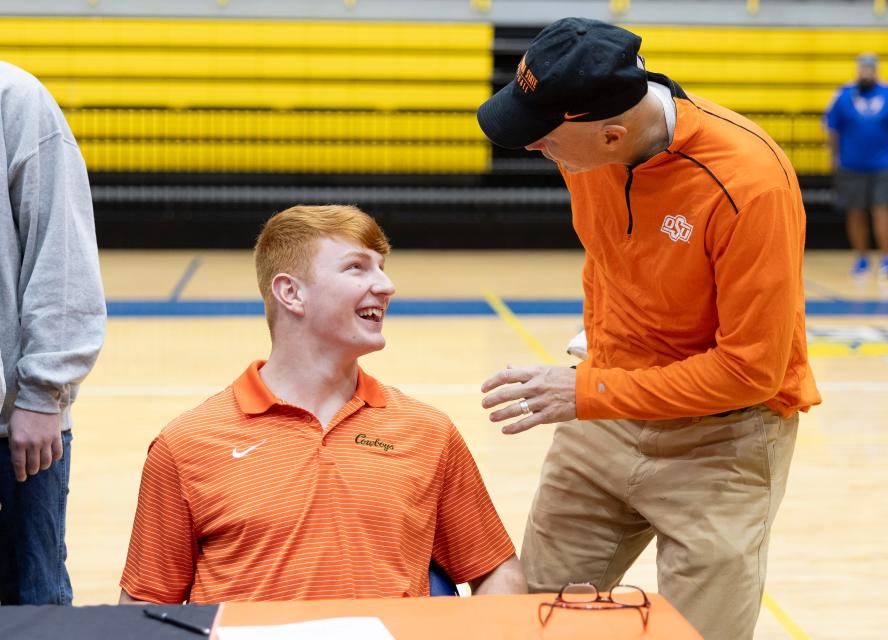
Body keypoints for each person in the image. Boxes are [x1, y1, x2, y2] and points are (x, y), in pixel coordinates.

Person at [476, 18, 821, 640]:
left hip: (722, 443)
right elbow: (610, 254)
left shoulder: (750, 186)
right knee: (532, 620)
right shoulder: (585, 152)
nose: (534, 149)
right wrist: (606, 341)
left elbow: (751, 371)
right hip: (605, 416)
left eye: (545, 140)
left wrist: (587, 392)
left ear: (611, 134)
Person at [119, 204, 525, 604]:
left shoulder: (427, 431)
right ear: (291, 293)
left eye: (382, 267)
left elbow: (496, 569)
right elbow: (145, 605)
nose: (386, 285)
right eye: (357, 267)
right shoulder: (187, 444)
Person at [0, 61, 107, 605]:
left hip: (9, 431)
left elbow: (60, 253)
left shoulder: (13, 98)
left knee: (31, 609)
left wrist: (43, 395)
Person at [826, 53, 888, 278]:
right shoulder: (843, 94)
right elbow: (832, 127)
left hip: (884, 164)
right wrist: (836, 157)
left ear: (876, 70)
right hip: (850, 163)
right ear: (857, 70)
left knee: (882, 208)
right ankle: (861, 258)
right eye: (862, 68)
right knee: (855, 211)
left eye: (869, 68)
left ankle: (887, 258)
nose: (865, 72)